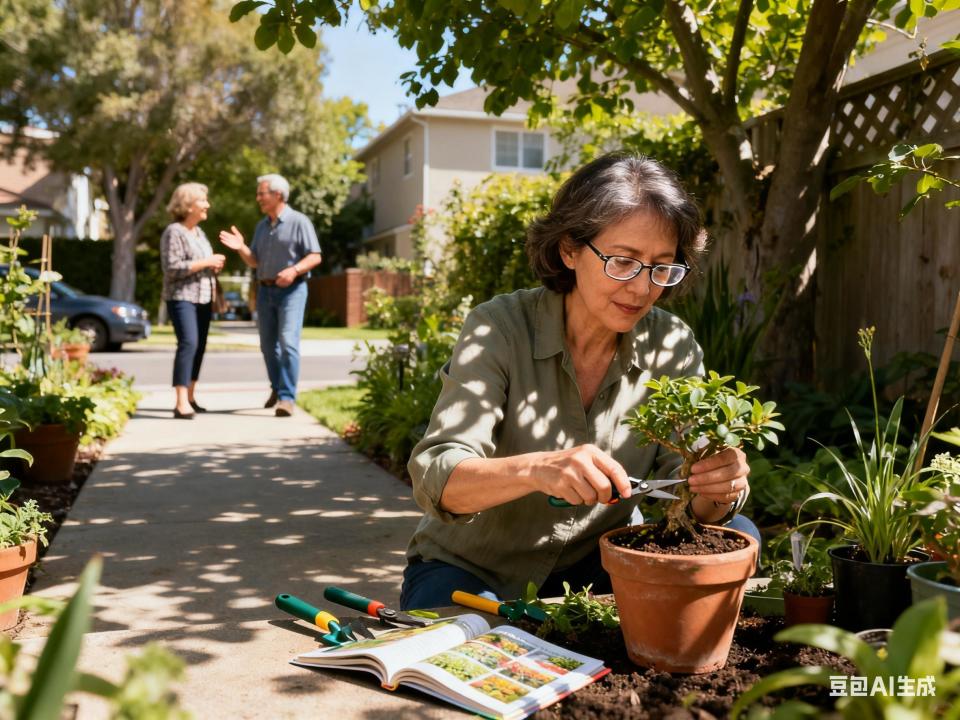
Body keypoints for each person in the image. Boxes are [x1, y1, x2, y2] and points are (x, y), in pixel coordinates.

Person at [400, 152, 759, 610]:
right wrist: (538, 469)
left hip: (598, 568)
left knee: (738, 534)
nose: (642, 288)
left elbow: (689, 503)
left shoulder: (671, 343)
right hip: (473, 569)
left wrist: (719, 484)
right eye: (623, 261)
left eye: (662, 266)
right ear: (570, 249)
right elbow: (437, 476)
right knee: (468, 653)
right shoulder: (499, 328)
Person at [218, 174, 322, 417]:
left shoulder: (299, 221)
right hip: (265, 290)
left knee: (287, 341)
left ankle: (286, 398)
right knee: (267, 346)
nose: (258, 198)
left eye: (261, 193)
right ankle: (277, 388)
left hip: (293, 290)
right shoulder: (262, 226)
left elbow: (315, 255)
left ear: (278, 194)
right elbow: (255, 261)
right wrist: (241, 247)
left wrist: (294, 270)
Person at [160, 182, 225, 420]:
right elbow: (172, 268)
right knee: (188, 343)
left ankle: (190, 397)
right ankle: (179, 402)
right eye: (202, 200)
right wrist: (207, 262)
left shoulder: (199, 233)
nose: (207, 204)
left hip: (203, 297)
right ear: (188, 205)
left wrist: (214, 265)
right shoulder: (174, 232)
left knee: (199, 346)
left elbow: (201, 264)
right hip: (181, 298)